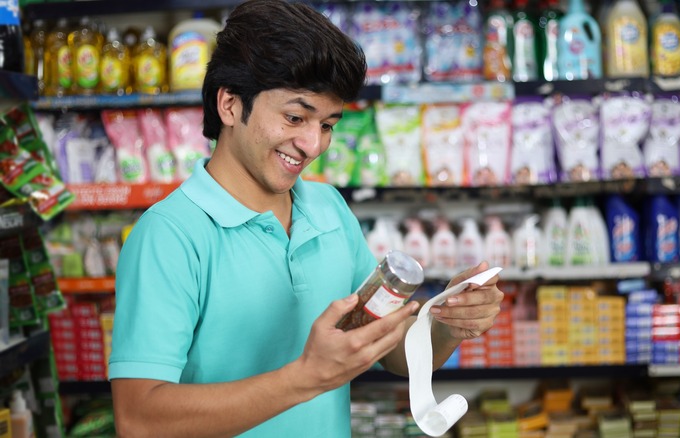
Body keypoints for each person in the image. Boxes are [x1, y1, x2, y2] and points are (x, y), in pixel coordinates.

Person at [108, 0, 505, 436]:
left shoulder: (327, 208)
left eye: (328, 124)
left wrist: (447, 323)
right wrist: (307, 377)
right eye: (295, 117)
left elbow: (387, 352)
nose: (313, 145)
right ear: (229, 105)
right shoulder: (169, 235)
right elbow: (138, 419)